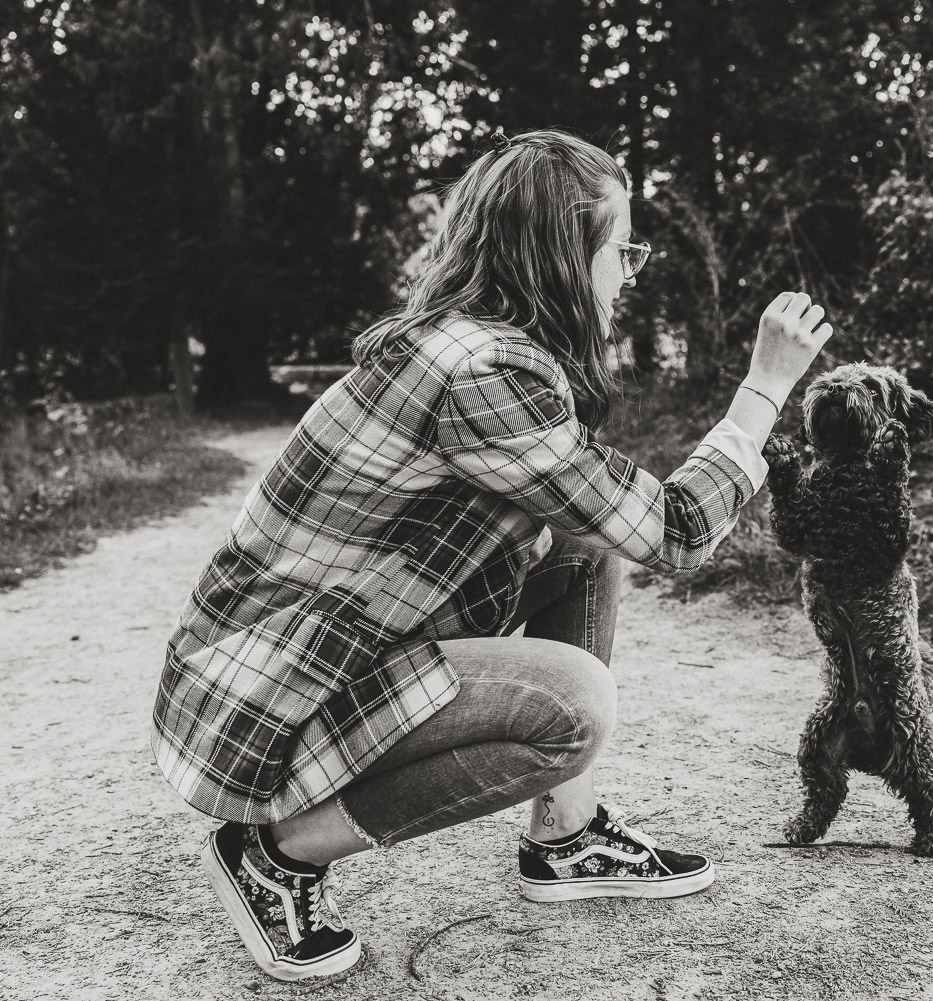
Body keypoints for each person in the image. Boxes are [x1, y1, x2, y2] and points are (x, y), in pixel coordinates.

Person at [150, 129, 833, 982]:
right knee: (575, 708)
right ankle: (275, 853)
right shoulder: (486, 375)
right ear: (560, 255)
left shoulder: (464, 342)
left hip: (277, 664)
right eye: (621, 249)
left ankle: (568, 833)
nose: (628, 271)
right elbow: (679, 531)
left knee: (583, 546)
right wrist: (765, 387)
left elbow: (611, 519)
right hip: (264, 703)